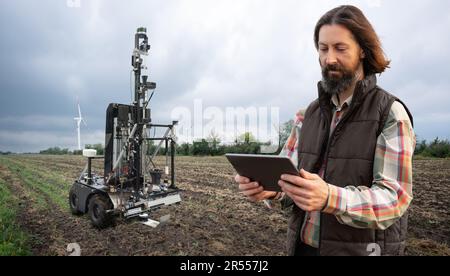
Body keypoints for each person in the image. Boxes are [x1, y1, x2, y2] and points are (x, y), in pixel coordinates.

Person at [235, 5, 416, 256]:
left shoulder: (390, 113)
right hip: (303, 249)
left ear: (362, 50)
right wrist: (272, 190)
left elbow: (394, 199)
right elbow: (290, 186)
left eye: (340, 48)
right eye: (323, 49)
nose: (330, 58)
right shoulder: (307, 115)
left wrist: (330, 197)